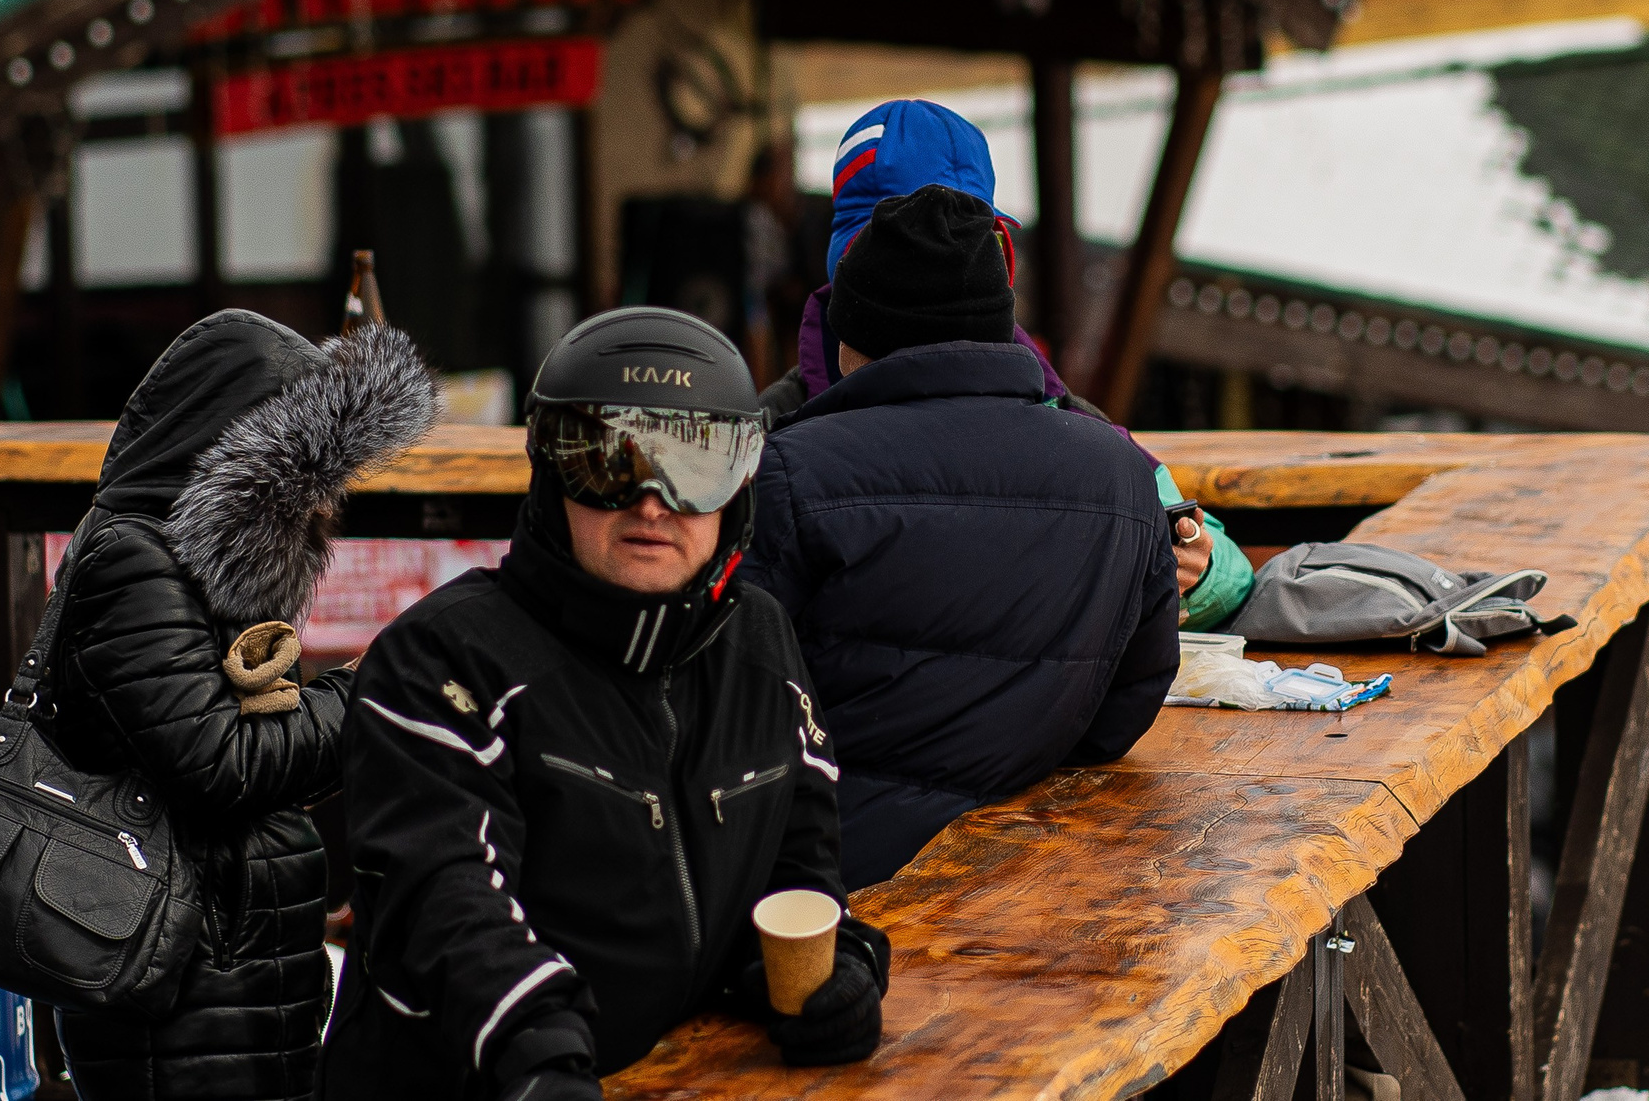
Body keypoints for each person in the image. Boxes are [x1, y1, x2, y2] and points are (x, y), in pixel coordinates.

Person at [322, 308, 887, 1100]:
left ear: (739, 490)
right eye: (609, 462)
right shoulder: (444, 658)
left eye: (693, 468)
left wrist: (831, 971)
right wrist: (541, 1056)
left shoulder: (757, 643)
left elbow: (800, 860)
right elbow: (446, 899)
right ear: (553, 476)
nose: (652, 502)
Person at [42, 310, 440, 1101]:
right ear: (240, 464)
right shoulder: (134, 563)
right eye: (305, 480)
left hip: (221, 978)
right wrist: (378, 683)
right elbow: (222, 762)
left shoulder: (184, 569)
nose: (322, 508)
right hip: (178, 994)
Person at [741, 185, 1182, 888]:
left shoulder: (790, 471)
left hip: (834, 884)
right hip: (1042, 881)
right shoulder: (1124, 474)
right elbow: (1132, 697)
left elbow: (735, 709)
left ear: (855, 334)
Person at [771, 99, 1247, 626]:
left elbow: (1221, 561)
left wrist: (1197, 570)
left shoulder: (1060, 411)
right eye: (907, 244)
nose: (936, 268)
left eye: (967, 240)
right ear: (850, 262)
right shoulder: (769, 432)